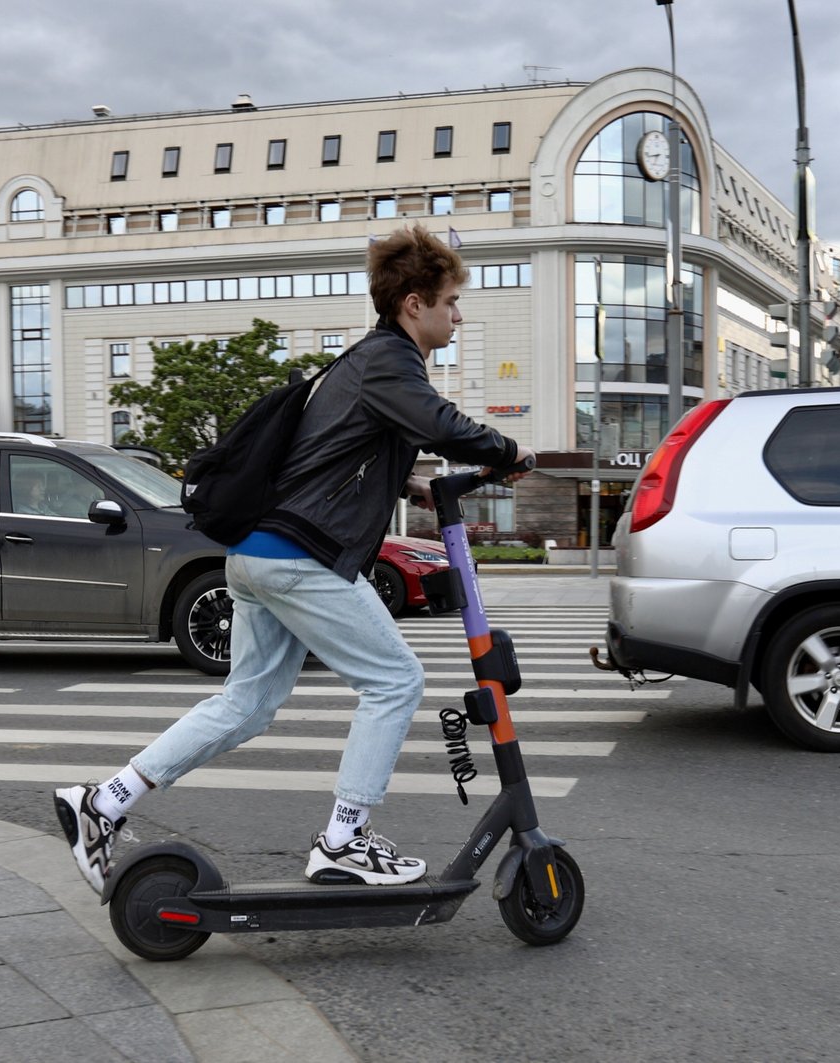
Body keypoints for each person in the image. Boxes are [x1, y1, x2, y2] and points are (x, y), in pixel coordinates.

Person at [54, 224, 534, 893]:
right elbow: (442, 423)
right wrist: (508, 450)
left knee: (246, 703)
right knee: (395, 681)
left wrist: (411, 485)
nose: (459, 313)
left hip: (257, 555)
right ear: (414, 303)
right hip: (298, 557)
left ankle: (103, 801)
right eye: (451, 299)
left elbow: (328, 456)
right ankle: (344, 838)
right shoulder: (389, 362)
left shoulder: (364, 364)